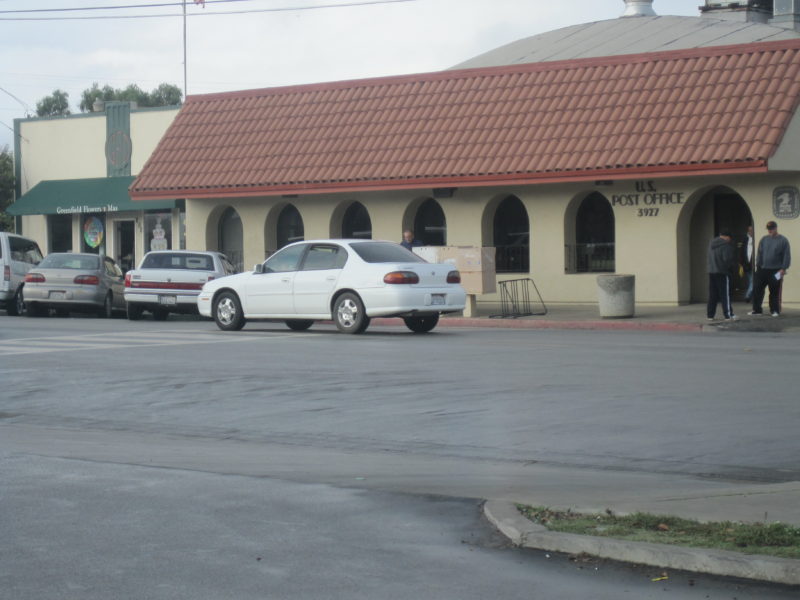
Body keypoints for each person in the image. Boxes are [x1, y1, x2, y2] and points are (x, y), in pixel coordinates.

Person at [750, 221, 791, 317]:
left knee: (774, 291)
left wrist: (783, 268)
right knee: (757, 289)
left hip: (776, 270)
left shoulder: (783, 240)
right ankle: (757, 310)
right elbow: (759, 253)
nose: (770, 231)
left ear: (776, 228)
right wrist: (758, 266)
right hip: (762, 269)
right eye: (768, 229)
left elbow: (787, 255)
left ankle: (775, 310)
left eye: (771, 229)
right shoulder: (764, 239)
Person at [706, 230, 737, 321]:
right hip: (722, 272)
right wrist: (730, 269)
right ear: (727, 237)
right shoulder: (726, 245)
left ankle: (710, 315)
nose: (730, 240)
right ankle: (728, 315)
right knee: (725, 295)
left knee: (713, 294)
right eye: (730, 238)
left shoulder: (711, 244)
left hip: (712, 271)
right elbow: (727, 260)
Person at [742, 225, 754, 302]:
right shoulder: (745, 239)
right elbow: (741, 252)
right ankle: (748, 295)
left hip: (754, 264)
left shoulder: (756, 238)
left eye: (752, 230)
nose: (751, 232)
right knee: (751, 281)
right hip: (747, 264)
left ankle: (748, 295)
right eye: (749, 230)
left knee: (752, 281)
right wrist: (742, 263)